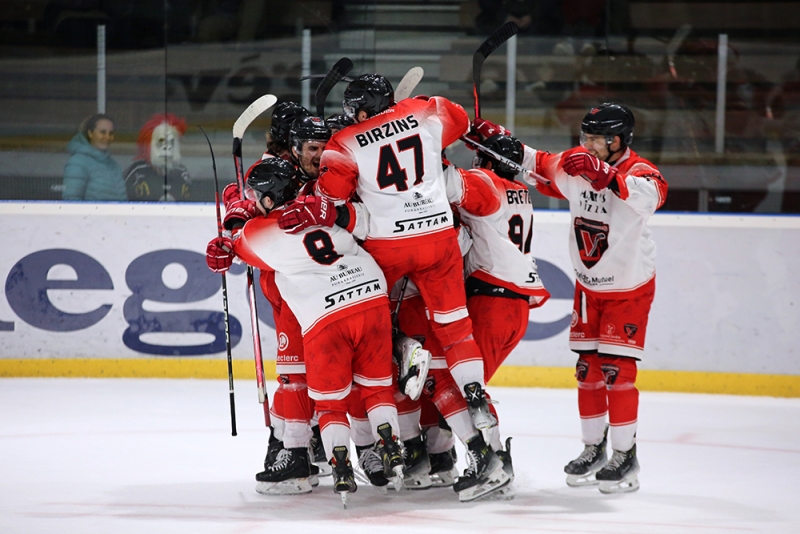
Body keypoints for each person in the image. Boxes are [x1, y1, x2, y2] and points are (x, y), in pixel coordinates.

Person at [278, 75, 509, 498]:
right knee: (453, 335)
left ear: (363, 111)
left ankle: (401, 440)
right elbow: (460, 121)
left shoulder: (345, 142)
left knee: (375, 341)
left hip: (389, 252)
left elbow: (333, 199)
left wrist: (317, 206)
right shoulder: (424, 111)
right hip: (440, 242)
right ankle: (474, 401)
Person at [474, 103, 667, 494]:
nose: (589, 145)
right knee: (587, 371)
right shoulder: (578, 164)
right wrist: (497, 140)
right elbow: (538, 163)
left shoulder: (639, 170)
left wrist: (606, 175)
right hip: (588, 287)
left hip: (628, 288)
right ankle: (593, 448)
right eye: (586, 137)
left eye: (597, 139)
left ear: (618, 141)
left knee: (617, 372)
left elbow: (653, 196)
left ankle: (625, 455)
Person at [206, 158, 406, 505]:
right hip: (372, 298)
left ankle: (340, 466)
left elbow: (235, 246)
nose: (253, 200)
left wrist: (233, 218)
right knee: (376, 388)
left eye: (256, 195)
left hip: (326, 314)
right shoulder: (317, 208)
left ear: (269, 198)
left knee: (330, 404)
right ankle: (389, 444)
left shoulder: (261, 232)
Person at [124, 113, 192, 201]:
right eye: (161, 141)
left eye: (171, 142)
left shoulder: (182, 173)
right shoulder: (137, 171)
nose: (167, 147)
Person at [62, 113, 127, 201]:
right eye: (102, 132)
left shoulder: (113, 165)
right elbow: (71, 201)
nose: (107, 137)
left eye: (111, 133)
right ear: (90, 133)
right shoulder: (77, 163)